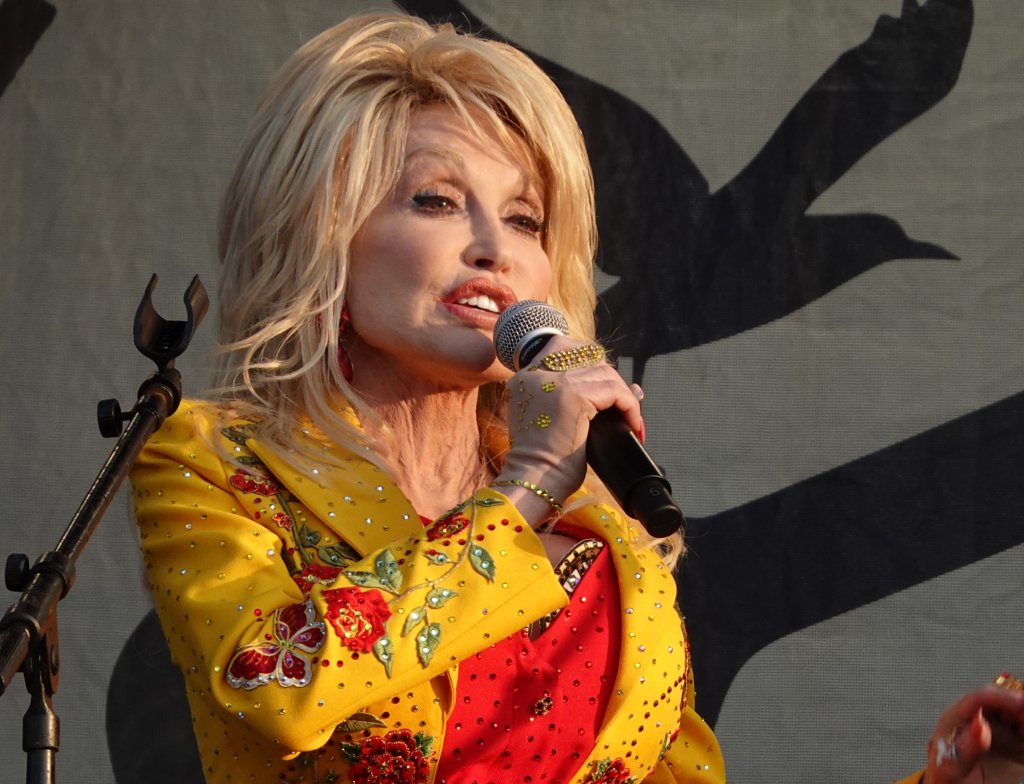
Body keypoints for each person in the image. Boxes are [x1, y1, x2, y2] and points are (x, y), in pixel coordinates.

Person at [129, 12, 1024, 784]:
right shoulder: (216, 458)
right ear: (320, 233)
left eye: (525, 219)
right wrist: (522, 491)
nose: (495, 248)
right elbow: (281, 684)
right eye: (437, 200)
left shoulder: (613, 535)